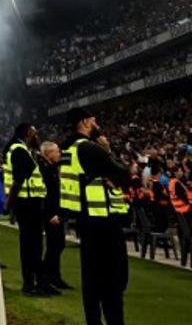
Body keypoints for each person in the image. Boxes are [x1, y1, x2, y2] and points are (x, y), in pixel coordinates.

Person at [60, 107, 131, 325]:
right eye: (93, 119)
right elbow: (123, 175)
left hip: (84, 221)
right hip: (103, 222)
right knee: (113, 281)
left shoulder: (66, 150)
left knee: (91, 280)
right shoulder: (90, 148)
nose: (97, 122)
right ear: (85, 122)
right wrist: (108, 150)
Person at [5, 123, 54, 296]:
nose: (36, 135)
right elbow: (18, 179)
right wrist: (8, 203)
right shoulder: (18, 149)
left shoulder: (24, 150)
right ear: (27, 133)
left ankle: (40, 281)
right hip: (26, 202)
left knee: (35, 244)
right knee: (29, 245)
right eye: (34, 132)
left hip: (32, 201)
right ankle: (29, 283)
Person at [39, 140, 73, 290]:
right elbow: (47, 195)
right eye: (56, 151)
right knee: (55, 246)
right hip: (50, 213)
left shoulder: (52, 168)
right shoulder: (44, 170)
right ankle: (46, 277)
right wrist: (52, 214)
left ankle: (54, 277)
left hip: (55, 212)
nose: (59, 154)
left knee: (57, 245)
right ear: (48, 153)